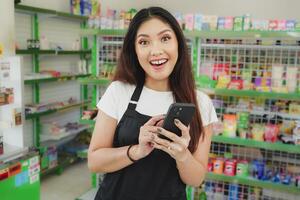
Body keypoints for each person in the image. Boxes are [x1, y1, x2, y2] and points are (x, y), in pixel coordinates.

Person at [88, 6, 218, 200]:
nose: (155, 51)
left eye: (165, 38)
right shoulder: (118, 91)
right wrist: (136, 151)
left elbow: (196, 179)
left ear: (178, 44)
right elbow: (94, 162)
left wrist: (182, 155)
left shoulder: (201, 103)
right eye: (144, 42)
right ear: (134, 49)